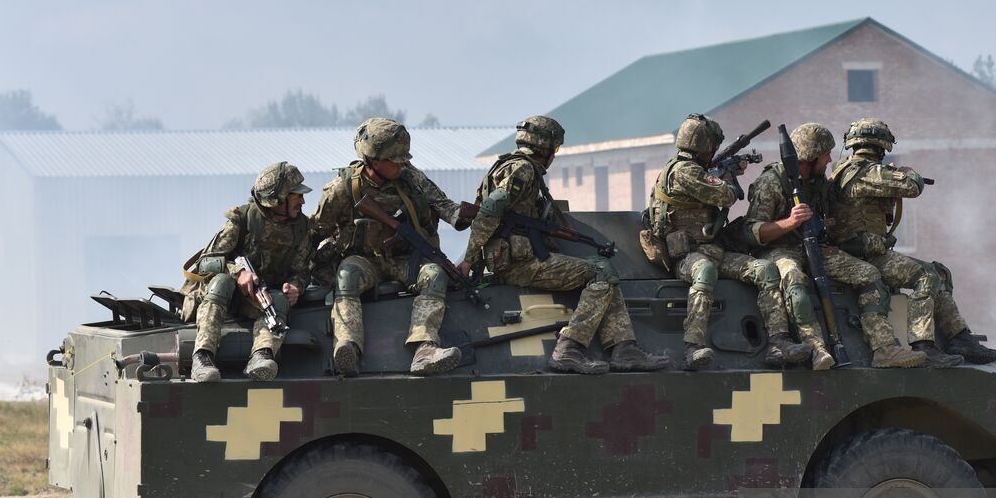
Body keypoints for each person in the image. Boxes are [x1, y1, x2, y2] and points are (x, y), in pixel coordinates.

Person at [458, 116, 669, 375]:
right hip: (519, 264)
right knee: (601, 271)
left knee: (604, 273)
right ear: (545, 149)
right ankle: (569, 347)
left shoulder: (503, 167)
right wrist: (468, 260)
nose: (554, 156)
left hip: (514, 258)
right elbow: (489, 211)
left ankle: (623, 347)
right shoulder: (523, 170)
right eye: (555, 150)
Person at [745, 123, 925, 370]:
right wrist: (790, 222)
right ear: (810, 155)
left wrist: (822, 226)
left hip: (815, 247)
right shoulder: (772, 182)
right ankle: (816, 348)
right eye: (825, 154)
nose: (830, 159)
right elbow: (752, 230)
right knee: (794, 278)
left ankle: (884, 349)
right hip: (780, 249)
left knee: (869, 274)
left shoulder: (818, 182)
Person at [647, 113, 811, 371]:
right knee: (705, 271)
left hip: (712, 250)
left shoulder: (696, 170)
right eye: (712, 145)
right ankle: (693, 346)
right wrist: (730, 177)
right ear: (704, 144)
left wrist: (727, 173)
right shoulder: (684, 171)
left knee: (764, 270)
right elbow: (726, 195)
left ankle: (779, 342)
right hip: (687, 257)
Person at [829, 118, 996, 366]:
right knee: (926, 275)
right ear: (882, 146)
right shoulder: (866, 171)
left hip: (861, 250)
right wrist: (907, 172)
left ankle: (960, 336)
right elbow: (911, 186)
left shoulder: (842, 170)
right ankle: (923, 344)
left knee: (939, 273)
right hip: (863, 254)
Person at [309, 118, 463, 376]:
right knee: (346, 274)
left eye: (404, 158)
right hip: (365, 260)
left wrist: (465, 217)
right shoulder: (342, 188)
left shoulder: (411, 177)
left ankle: (424, 349)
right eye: (395, 159)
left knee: (435, 275)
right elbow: (314, 232)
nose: (402, 163)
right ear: (374, 160)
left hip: (405, 260)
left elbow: (444, 206)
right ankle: (347, 346)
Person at [187, 162, 312, 383]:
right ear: (277, 200)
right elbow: (206, 263)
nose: (302, 201)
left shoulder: (301, 228)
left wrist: (296, 286)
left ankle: (262, 356)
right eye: (296, 196)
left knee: (280, 300)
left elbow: (302, 271)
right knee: (222, 282)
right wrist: (238, 273)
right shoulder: (242, 219)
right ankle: (202, 357)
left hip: (259, 299)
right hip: (225, 298)